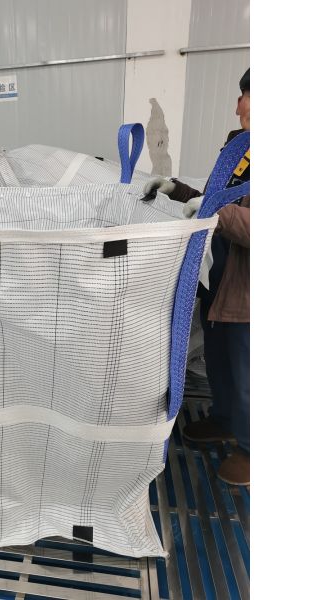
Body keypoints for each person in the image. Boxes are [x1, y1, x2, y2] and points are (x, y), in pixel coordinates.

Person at [144, 68, 250, 486]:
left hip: (249, 290)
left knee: (248, 371)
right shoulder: (239, 148)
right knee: (220, 361)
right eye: (244, 95)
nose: (242, 105)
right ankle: (225, 419)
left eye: (251, 96)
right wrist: (175, 190)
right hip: (220, 281)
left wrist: (217, 212)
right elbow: (214, 197)